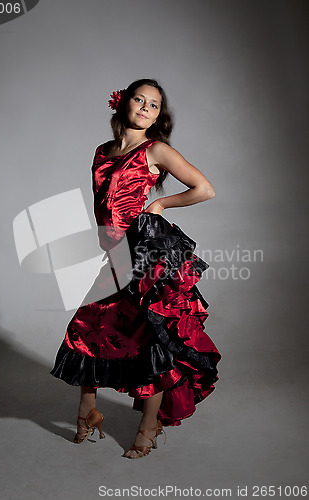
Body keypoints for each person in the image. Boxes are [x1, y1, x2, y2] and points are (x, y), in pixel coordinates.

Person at [50, 78, 222, 459]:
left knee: (150, 337)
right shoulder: (102, 151)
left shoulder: (156, 149)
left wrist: (160, 205)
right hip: (114, 253)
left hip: (144, 250)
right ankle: (88, 412)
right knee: (88, 328)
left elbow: (204, 188)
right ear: (123, 104)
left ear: (159, 115)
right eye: (139, 100)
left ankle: (148, 425)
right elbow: (102, 206)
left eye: (155, 104)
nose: (146, 107)